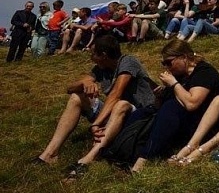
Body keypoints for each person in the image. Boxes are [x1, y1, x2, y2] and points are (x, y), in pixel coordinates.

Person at [34, 36, 156, 180]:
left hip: (138, 117)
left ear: (103, 55)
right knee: (76, 97)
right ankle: (50, 154)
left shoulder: (128, 61)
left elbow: (116, 94)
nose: (91, 57)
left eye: (93, 54)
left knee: (120, 104)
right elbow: (69, 89)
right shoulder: (100, 68)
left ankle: (90, 158)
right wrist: (84, 83)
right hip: (115, 114)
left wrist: (96, 123)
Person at [129, 40, 219, 172]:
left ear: (184, 58)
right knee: (143, 113)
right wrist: (160, 96)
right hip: (186, 124)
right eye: (164, 63)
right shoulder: (180, 76)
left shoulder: (204, 72)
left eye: (169, 62)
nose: (167, 67)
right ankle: (123, 149)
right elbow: (159, 108)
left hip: (205, 127)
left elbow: (192, 104)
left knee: (172, 107)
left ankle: (144, 158)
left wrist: (174, 84)